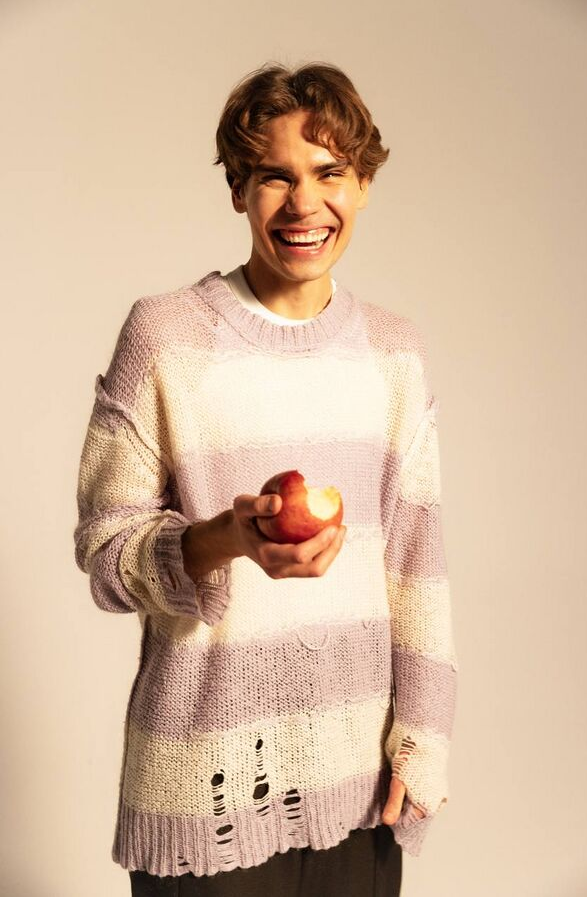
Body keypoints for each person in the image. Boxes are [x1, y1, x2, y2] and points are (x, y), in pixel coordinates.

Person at [73, 61, 459, 897]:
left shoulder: (393, 353)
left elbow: (416, 565)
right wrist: (227, 538)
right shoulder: (164, 337)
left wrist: (425, 740)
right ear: (238, 190)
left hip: (359, 789)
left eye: (329, 173)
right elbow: (106, 557)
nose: (303, 203)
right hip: (203, 782)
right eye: (275, 177)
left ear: (363, 185)